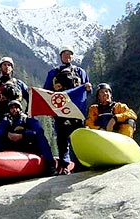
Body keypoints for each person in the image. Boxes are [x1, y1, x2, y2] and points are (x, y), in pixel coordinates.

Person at [43, 45, 92, 174]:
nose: (67, 56)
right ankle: (64, 165)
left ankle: (81, 162)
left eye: (69, 54)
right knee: (62, 138)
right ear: (60, 57)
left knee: (78, 137)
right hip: (61, 111)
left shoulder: (80, 72)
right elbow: (47, 91)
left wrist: (88, 88)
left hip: (77, 110)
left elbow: (87, 91)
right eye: (65, 54)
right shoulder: (53, 73)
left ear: (72, 56)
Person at [0, 100, 58, 176]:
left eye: (16, 107)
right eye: (12, 108)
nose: (14, 109)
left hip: (28, 145)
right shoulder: (7, 120)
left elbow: (39, 130)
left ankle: (50, 165)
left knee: (41, 138)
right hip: (12, 146)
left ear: (20, 109)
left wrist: (23, 135)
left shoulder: (27, 119)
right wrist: (6, 133)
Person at [0, 56, 29, 127]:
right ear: (1, 67)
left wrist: (27, 113)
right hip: (1, 118)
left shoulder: (19, 84)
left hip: (18, 117)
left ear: (12, 68)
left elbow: (30, 98)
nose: (7, 67)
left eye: (9, 65)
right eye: (4, 64)